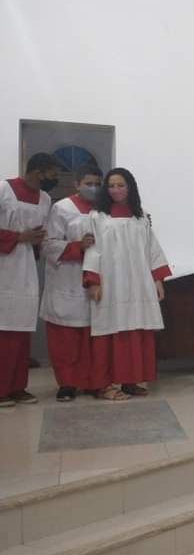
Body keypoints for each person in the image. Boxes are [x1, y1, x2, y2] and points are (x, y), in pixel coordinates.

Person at [83, 168, 171, 401]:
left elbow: (152, 249)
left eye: (120, 185)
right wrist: (93, 281)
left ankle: (130, 381)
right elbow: (93, 250)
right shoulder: (97, 216)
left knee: (135, 327)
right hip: (111, 282)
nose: (116, 190)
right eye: (111, 186)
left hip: (138, 282)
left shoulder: (140, 216)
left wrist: (157, 279)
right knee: (109, 330)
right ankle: (104, 385)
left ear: (129, 187)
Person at [0, 153, 60, 408]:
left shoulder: (45, 199)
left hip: (27, 269)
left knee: (23, 328)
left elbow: (44, 235)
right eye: (52, 174)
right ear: (36, 171)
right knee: (4, 331)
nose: (54, 180)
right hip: (4, 265)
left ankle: (17, 387)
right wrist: (18, 237)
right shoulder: (4, 188)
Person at [41, 164, 102, 401]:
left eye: (97, 184)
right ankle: (67, 384)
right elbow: (48, 244)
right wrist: (78, 247)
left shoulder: (103, 209)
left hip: (94, 280)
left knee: (92, 336)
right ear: (77, 184)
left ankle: (91, 381)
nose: (93, 188)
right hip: (66, 278)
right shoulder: (62, 208)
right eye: (88, 183)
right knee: (65, 338)